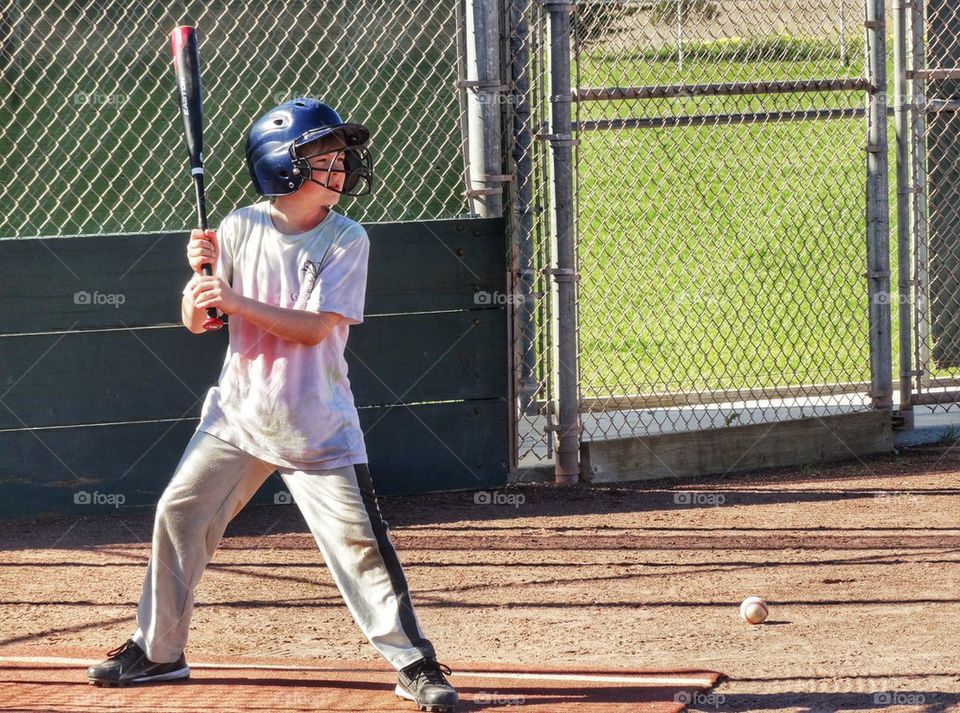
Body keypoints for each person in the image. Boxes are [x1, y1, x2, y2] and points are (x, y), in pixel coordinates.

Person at [86, 97, 458, 712]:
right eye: (323, 159)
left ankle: (414, 662)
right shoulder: (237, 227)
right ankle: (158, 650)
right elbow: (197, 321)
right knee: (179, 513)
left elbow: (314, 329)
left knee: (360, 545)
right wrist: (200, 283)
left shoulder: (346, 238)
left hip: (315, 426)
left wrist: (232, 300)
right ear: (281, 168)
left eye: (341, 159)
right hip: (237, 416)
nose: (340, 170)